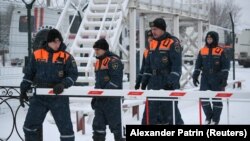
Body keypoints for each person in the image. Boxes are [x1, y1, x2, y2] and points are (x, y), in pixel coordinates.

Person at [19, 29, 78, 141]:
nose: (57, 44)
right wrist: (23, 90)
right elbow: (29, 75)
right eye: (55, 41)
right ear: (48, 41)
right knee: (29, 127)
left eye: (59, 41)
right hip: (40, 97)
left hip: (58, 97)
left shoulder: (66, 56)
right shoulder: (37, 54)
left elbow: (73, 75)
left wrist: (63, 84)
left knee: (67, 132)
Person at [141, 18, 184, 125]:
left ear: (162, 29)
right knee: (149, 116)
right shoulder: (152, 44)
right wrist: (145, 79)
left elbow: (177, 66)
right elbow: (148, 65)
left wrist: (171, 83)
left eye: (155, 29)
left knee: (171, 116)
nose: (153, 32)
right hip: (153, 83)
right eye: (152, 29)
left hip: (167, 83)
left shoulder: (173, 43)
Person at [192, 31, 230, 125]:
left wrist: (224, 78)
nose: (209, 40)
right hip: (205, 77)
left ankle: (215, 120)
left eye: (211, 39)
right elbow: (198, 65)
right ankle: (208, 117)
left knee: (216, 99)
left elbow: (225, 66)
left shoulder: (221, 51)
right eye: (207, 39)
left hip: (217, 77)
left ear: (215, 39)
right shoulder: (202, 50)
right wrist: (195, 75)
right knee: (204, 99)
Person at [91, 38, 124, 141]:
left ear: (104, 49)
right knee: (98, 126)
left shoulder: (113, 61)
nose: (96, 51)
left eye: (98, 49)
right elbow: (97, 82)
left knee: (116, 127)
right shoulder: (98, 62)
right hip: (100, 101)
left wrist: (102, 94)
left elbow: (116, 81)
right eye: (95, 49)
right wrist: (95, 97)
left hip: (112, 100)